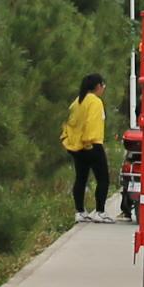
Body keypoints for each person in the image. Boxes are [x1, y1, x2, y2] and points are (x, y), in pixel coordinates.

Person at [61, 74, 113, 221]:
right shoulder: (95, 102)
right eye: (103, 85)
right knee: (103, 178)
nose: (103, 88)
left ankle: (80, 211)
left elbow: (69, 122)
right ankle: (100, 211)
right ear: (98, 86)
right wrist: (90, 142)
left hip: (76, 146)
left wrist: (68, 140)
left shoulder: (77, 101)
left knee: (81, 178)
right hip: (92, 144)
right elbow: (92, 123)